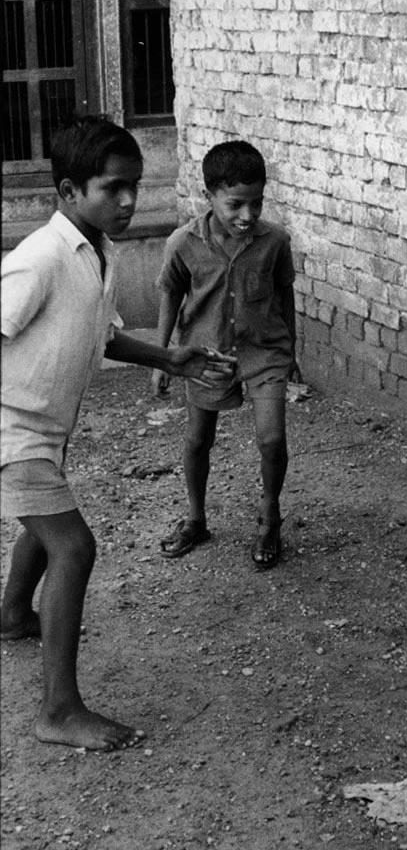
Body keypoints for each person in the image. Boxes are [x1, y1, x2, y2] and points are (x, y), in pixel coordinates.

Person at [1, 115, 233, 751]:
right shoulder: (40, 260)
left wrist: (170, 357)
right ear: (71, 191)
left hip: (46, 430)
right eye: (112, 188)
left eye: (134, 185)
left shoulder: (96, 252)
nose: (129, 200)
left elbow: (101, 336)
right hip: (12, 432)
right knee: (73, 547)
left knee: (44, 528)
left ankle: (13, 615)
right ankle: (58, 710)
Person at [152, 140, 299, 569]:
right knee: (199, 438)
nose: (248, 216)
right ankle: (196, 518)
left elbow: (285, 295)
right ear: (209, 196)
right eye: (236, 204)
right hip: (206, 353)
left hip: (265, 350)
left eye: (257, 203)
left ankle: (270, 516)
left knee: (272, 439)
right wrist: (162, 357)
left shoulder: (275, 241)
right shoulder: (183, 243)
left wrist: (292, 351)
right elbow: (170, 296)